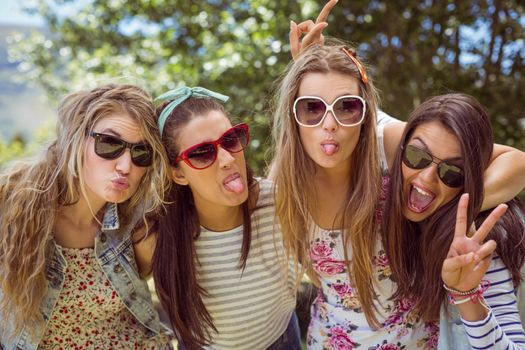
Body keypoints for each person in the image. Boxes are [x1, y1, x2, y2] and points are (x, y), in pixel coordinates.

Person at [270, 38, 525, 348]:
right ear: (293, 114)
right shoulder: (283, 188)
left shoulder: (390, 147)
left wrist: (454, 204)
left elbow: (514, 161)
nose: (329, 123)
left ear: (365, 113)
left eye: (347, 107)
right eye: (311, 107)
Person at [0, 84, 173, 349]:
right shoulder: (12, 204)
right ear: (76, 138)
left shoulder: (140, 224)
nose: (126, 166)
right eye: (110, 143)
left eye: (141, 153)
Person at [133, 86, 300, 350]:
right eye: (201, 153)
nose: (226, 159)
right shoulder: (156, 239)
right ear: (177, 174)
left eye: (231, 139)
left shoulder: (277, 202)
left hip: (283, 339)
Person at [381, 93, 525, 349]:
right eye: (417, 156)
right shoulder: (387, 188)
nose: (427, 178)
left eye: (452, 172)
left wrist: (466, 294)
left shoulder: (479, 239)